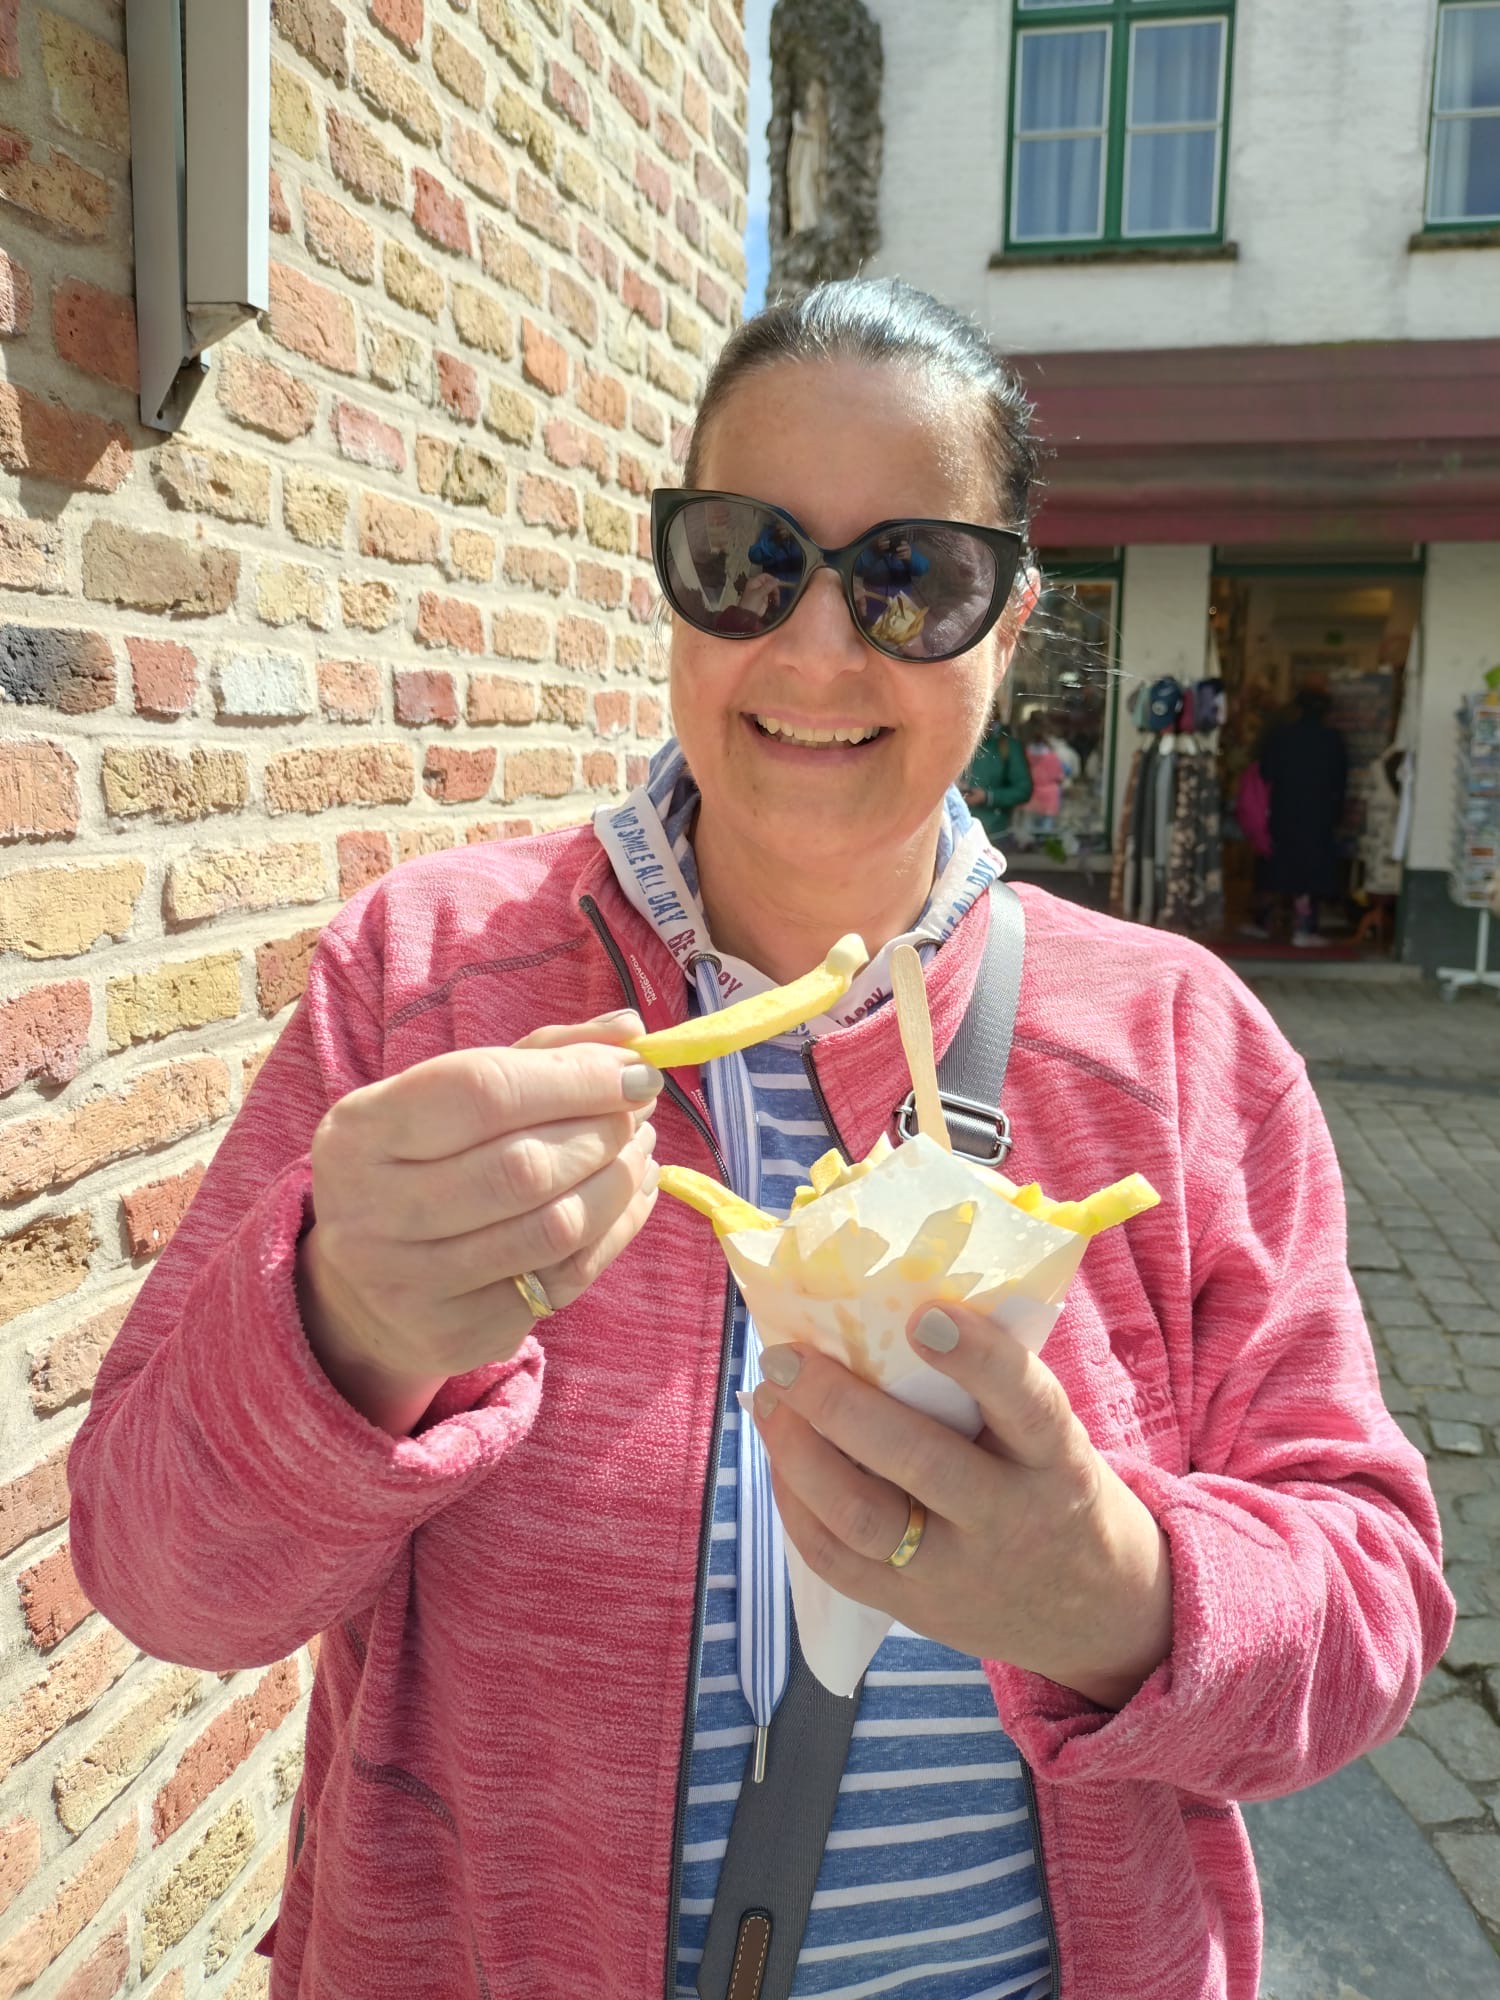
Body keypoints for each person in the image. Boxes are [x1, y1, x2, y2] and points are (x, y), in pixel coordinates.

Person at [68, 280, 1452, 2000]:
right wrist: (345, 1328)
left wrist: (1117, 1593)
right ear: (674, 585)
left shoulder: (1180, 1041)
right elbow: (160, 1580)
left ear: (1010, 632)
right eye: (747, 557)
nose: (813, 649)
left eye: (912, 580)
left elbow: (1373, 1609)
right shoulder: (428, 981)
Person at [1258, 688, 1349, 947]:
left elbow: (1266, 772)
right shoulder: (1332, 740)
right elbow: (1341, 781)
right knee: (1311, 869)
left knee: (1281, 864)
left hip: (1284, 810)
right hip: (1319, 814)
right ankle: (1304, 926)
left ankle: (1268, 923)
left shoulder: (1282, 737)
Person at [961, 705, 1032, 842]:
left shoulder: (1005, 747)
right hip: (951, 833)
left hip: (992, 833)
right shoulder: (950, 743)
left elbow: (1023, 790)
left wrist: (988, 797)